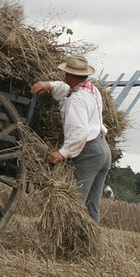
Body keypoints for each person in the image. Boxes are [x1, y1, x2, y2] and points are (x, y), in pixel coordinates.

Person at [31, 55, 111, 223]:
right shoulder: (91, 90)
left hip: (89, 152)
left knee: (74, 205)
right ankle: (90, 249)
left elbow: (80, 132)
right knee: (92, 207)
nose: (64, 76)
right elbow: (65, 90)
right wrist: (49, 85)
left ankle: (72, 247)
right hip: (103, 150)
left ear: (69, 75)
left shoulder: (77, 100)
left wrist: (62, 153)